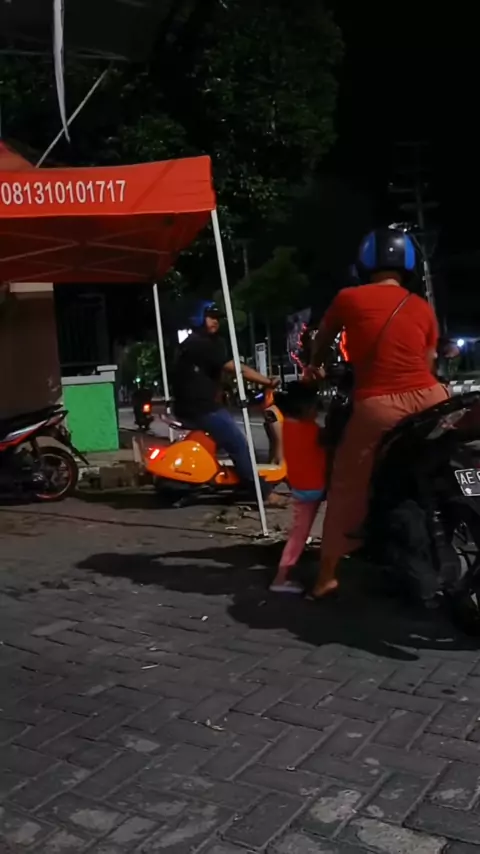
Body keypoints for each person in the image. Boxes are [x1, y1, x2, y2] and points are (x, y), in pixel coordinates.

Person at [307, 227, 449, 599]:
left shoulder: (348, 298)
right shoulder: (421, 306)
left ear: (365, 261)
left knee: (346, 484)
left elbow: (323, 340)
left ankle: (327, 576)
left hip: (380, 405)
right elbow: (429, 360)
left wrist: (314, 365)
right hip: (433, 399)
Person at [172, 304, 284, 505]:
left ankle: (241, 481)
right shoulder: (204, 344)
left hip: (188, 406)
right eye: (210, 317)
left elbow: (210, 373)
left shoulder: (189, 343)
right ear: (199, 318)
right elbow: (237, 369)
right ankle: (263, 493)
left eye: (217, 318)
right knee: (238, 445)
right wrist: (267, 381)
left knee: (230, 441)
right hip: (202, 408)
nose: (215, 321)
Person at [269, 382, 327, 593]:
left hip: (299, 487)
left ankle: (283, 576)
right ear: (305, 408)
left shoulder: (284, 427)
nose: (317, 412)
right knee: (300, 535)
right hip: (316, 487)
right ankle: (281, 578)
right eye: (315, 407)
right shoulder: (313, 430)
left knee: (299, 532)